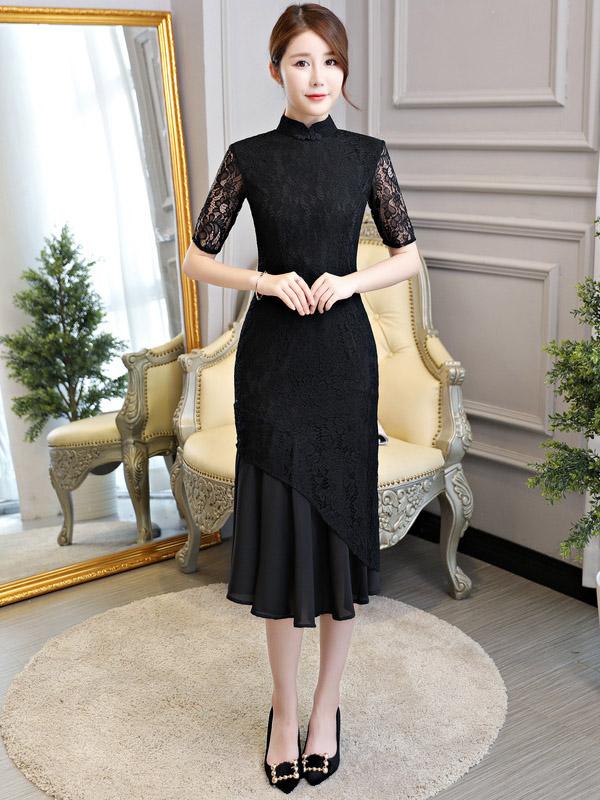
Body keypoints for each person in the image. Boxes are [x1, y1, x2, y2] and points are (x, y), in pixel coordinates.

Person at [183, 3, 420, 791]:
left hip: (344, 366)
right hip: (273, 368)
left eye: (331, 62)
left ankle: (326, 709)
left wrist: (348, 282)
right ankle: (284, 713)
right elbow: (196, 257)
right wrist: (264, 280)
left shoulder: (367, 156)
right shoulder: (249, 157)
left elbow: (409, 256)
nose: (319, 77)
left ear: (342, 71)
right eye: (302, 62)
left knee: (339, 544)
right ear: (276, 70)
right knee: (283, 553)